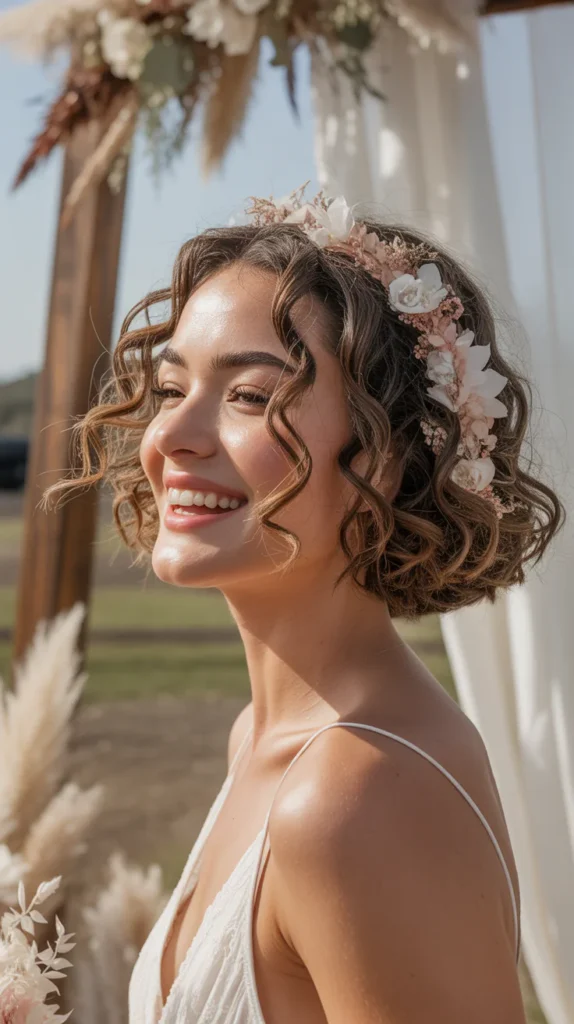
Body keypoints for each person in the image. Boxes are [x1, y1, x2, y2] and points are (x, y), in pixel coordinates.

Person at [44, 186, 563, 1024]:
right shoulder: (262, 740)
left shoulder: (357, 795)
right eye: (171, 389)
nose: (172, 436)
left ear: (387, 456)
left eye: (251, 396)